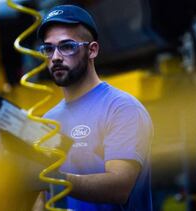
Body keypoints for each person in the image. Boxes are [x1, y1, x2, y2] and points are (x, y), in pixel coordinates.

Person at [34, 4, 153, 211]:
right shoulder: (48, 119)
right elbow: (41, 199)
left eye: (67, 46)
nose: (55, 57)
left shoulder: (121, 108)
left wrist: (54, 178)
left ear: (92, 50)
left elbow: (120, 187)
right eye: (48, 48)